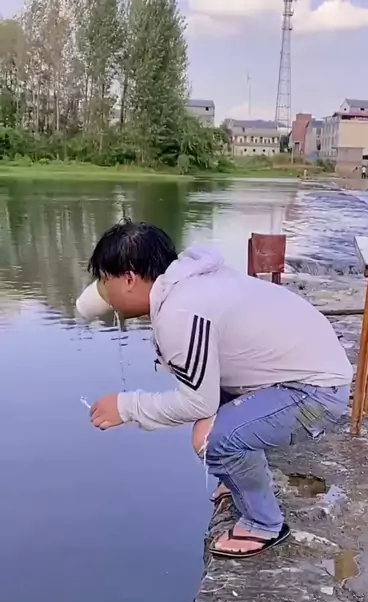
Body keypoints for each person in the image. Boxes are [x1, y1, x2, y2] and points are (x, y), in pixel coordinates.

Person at [81, 220, 352, 560]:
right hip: (304, 375)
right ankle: (241, 478)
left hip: (316, 392)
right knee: (217, 422)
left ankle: (263, 524)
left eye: (105, 280)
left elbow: (197, 402)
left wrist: (126, 407)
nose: (103, 292)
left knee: (213, 441)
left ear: (129, 279)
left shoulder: (180, 312)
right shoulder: (191, 282)